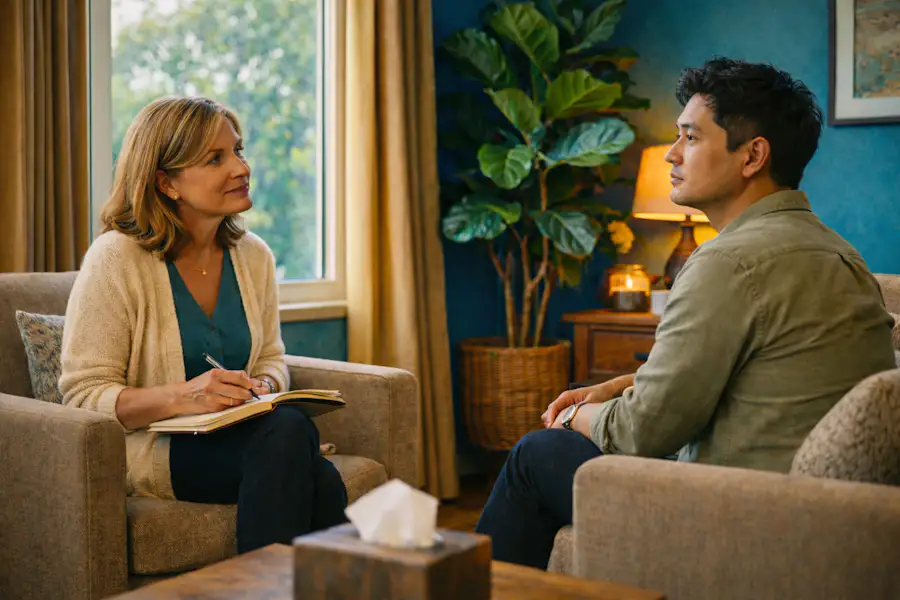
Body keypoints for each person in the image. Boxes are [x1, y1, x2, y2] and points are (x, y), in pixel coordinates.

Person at [475, 57, 896, 569]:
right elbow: (756, 375)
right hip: (824, 516)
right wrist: (617, 387)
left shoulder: (727, 262)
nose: (672, 154)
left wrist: (572, 416)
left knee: (536, 454)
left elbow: (643, 432)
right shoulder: (842, 255)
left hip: (738, 515)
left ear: (752, 155)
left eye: (691, 137)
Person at [59, 96, 347, 553]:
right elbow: (83, 396)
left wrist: (262, 386)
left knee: (305, 455)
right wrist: (185, 396)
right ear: (166, 183)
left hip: (249, 437)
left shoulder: (254, 256)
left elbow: (271, 358)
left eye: (238, 150)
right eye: (216, 159)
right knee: (304, 453)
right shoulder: (115, 259)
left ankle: (263, 584)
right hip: (159, 449)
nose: (241, 168)